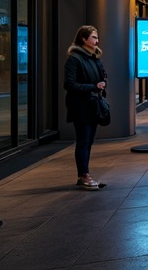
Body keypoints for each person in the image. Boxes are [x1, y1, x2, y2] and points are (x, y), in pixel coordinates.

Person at [64, 25, 108, 190]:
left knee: (89, 140)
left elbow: (103, 75)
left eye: (96, 38)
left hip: (93, 104)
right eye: (94, 38)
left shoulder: (94, 57)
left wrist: (102, 84)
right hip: (80, 106)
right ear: (84, 39)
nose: (97, 41)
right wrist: (93, 86)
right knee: (83, 140)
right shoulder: (74, 58)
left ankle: (85, 173)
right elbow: (69, 84)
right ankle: (83, 175)